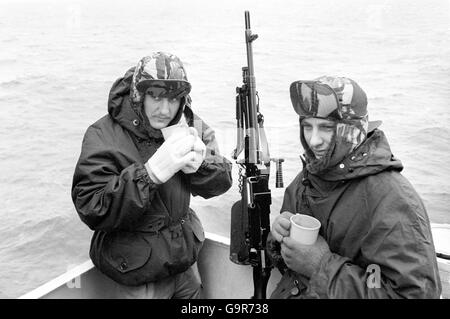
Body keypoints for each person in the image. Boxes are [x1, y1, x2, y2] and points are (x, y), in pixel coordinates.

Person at [71, 52, 232, 299]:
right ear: (139, 95)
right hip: (138, 271)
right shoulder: (102, 134)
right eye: (155, 97)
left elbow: (223, 180)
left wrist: (202, 168)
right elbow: (91, 207)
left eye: (173, 99)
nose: (164, 109)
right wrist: (149, 175)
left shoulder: (188, 124)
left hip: (184, 261)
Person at [268, 76, 442, 298]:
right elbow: (288, 264)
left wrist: (321, 265)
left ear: (351, 129)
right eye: (307, 127)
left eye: (326, 128)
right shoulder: (307, 178)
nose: (313, 140)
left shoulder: (392, 198)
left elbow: (411, 294)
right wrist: (279, 238)